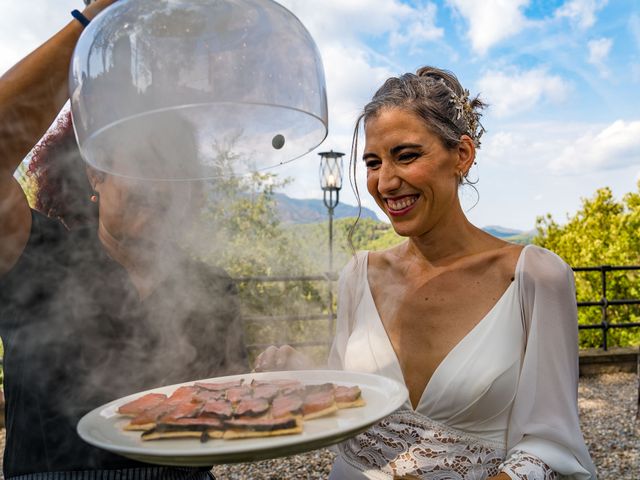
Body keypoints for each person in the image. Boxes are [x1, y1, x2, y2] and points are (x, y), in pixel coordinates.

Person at [255, 67, 597, 479]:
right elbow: (350, 405)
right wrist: (308, 381)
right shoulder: (359, 274)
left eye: (406, 155)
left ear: (462, 155)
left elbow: (551, 443)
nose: (385, 181)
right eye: (373, 162)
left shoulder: (532, 277)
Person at [0, 2, 247, 478]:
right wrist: (98, 18)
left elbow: (225, 431)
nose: (160, 187)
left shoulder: (212, 290)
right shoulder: (34, 257)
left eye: (177, 172)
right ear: (95, 172)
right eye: (144, 163)